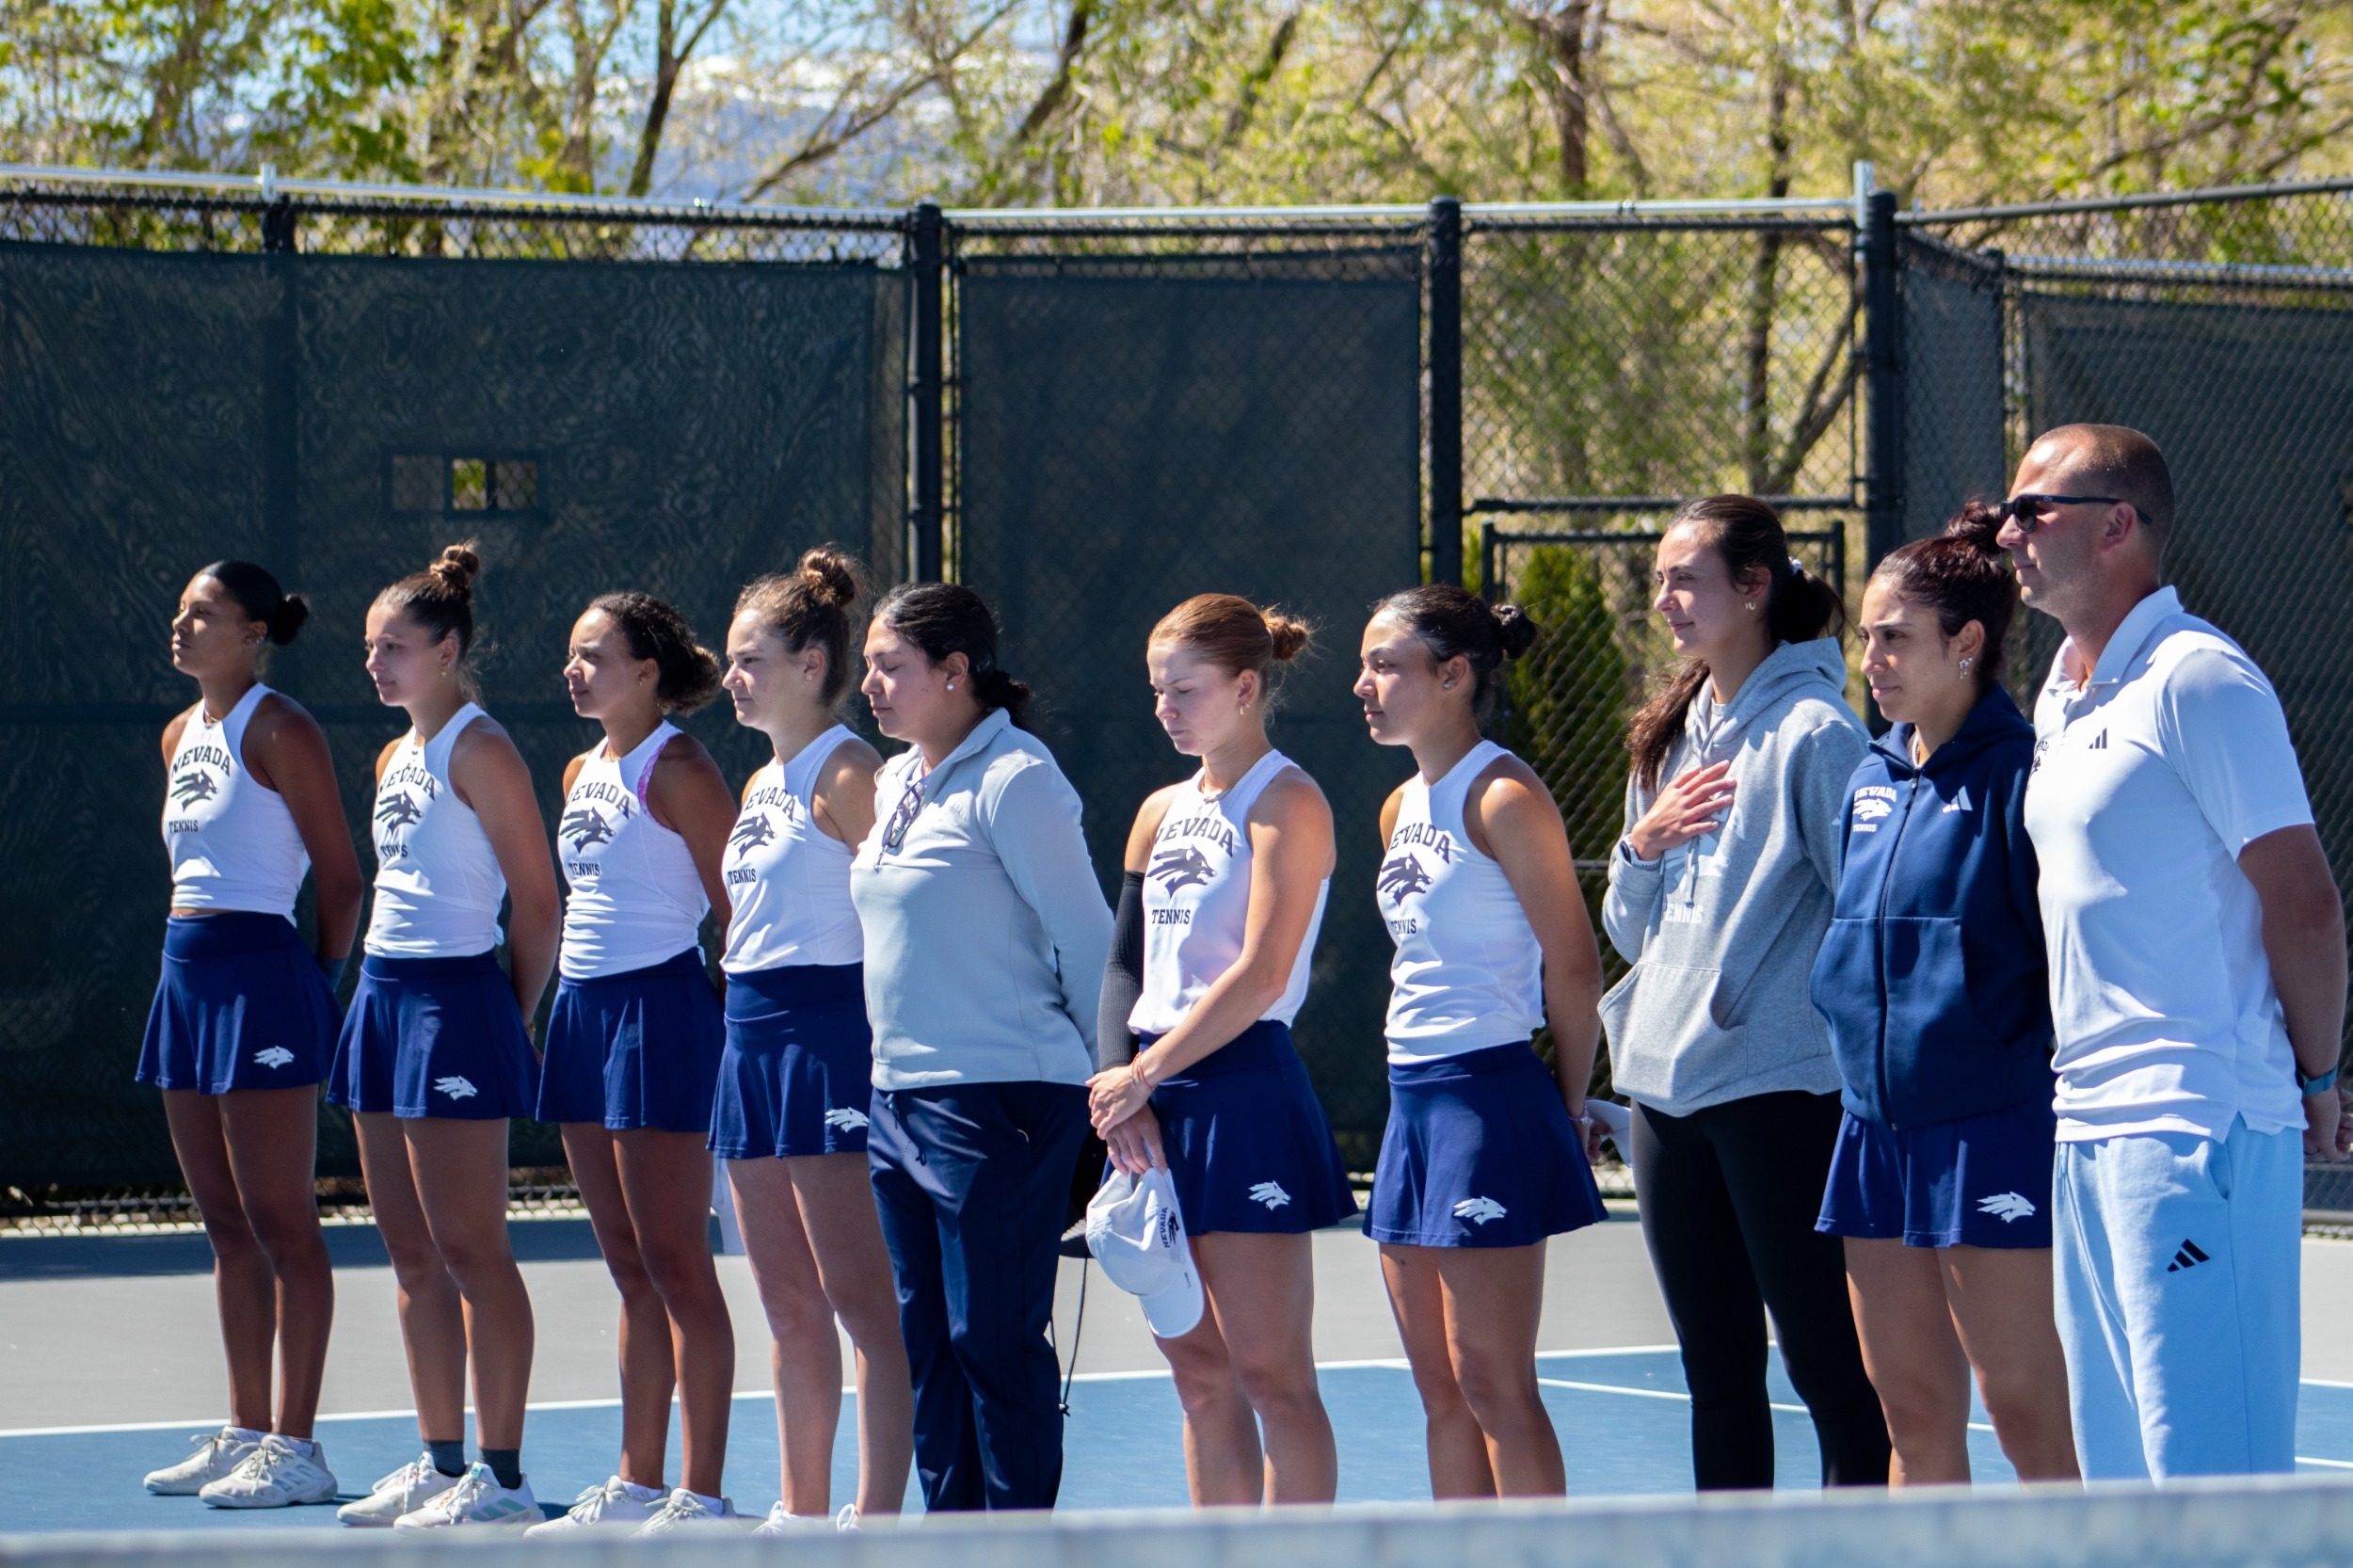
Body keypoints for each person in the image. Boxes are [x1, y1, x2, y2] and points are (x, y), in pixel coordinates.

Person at [1998, 424, 2349, 1480]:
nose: (2007, 530)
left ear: (2117, 526)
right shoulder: (2058, 695)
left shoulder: (2201, 680)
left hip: (2196, 1127)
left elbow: (2304, 905)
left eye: (2033, 509)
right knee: (2122, 1488)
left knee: (2212, 1493)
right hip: (2084, 1133)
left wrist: (2320, 1076)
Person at [1600, 495, 1889, 1490]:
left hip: (1779, 1095)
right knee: (1716, 1376)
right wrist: (1641, 846)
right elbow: (1625, 931)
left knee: (1827, 1366)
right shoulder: (1672, 733)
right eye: (1659, 581)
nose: (1665, 600)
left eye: (1686, 578)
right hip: (1664, 1098)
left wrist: (1783, 1016)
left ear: (1755, 586)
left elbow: (1865, 916)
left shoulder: (1818, 733)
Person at [1809, 508, 2078, 1486]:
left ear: (1967, 643)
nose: (1870, 658)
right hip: (1871, 1135)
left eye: (1894, 637)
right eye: (1866, 636)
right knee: (1912, 1415)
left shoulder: (2024, 778)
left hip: (1990, 1131)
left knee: (2023, 1416)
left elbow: (2060, 963)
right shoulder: (1869, 776)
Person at [1086, 594, 1354, 1507]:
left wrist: (1142, 1075)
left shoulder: (1288, 799)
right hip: (1151, 1100)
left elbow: (1264, 971)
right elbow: (1124, 962)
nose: (1165, 707)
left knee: (1272, 1377)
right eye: (1157, 689)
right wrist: (1115, 1090)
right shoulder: (1158, 809)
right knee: (1199, 1377)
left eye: (1184, 689)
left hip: (1241, 1092)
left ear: (1245, 687)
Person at [851, 582, 1112, 1512]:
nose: (869, 684)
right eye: (869, 665)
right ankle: (952, 1536)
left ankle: (1018, 1542)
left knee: (992, 1337)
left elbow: (1087, 941)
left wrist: (1114, 1087)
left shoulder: (1018, 777)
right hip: (899, 1098)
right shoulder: (894, 780)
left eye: (891, 666)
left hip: (1003, 1097)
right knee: (927, 1340)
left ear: (956, 673)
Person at [1353, 584, 1609, 1498]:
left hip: (1487, 1100)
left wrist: (1569, 1108)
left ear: (1454, 675)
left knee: (1495, 1383)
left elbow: (1573, 969)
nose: (1363, 685)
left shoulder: (1503, 794)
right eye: (1363, 665)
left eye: (1385, 665)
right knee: (1440, 1392)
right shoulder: (1398, 808)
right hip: (1409, 1104)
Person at [328, 544, 559, 1528]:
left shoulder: (482, 749)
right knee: (411, 1251)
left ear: (448, 649)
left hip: (456, 1002)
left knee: (472, 1247)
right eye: (370, 646)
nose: (375, 664)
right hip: (381, 999)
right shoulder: (393, 755)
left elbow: (538, 902)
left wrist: (499, 1016)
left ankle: (503, 1480)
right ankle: (439, 1459)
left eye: (396, 647)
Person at [137, 562, 360, 1510]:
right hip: (185, 979)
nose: (182, 624)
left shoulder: (283, 728)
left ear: (252, 631)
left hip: (262, 979)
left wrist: (308, 985)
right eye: (181, 610)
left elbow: (343, 878)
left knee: (283, 1223)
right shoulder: (178, 733)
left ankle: (299, 1447)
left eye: (203, 613)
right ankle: (245, 1428)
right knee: (226, 1224)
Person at [525, 593, 742, 1536]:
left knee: (676, 1261)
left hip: (660, 1014)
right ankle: (637, 1478)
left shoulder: (683, 767)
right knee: (628, 1265)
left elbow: (744, 906)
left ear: (647, 670)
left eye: (591, 654)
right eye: (570, 655)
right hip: (582, 1014)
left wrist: (737, 1024)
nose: (573, 669)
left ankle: (701, 1492)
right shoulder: (581, 766)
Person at [711, 550, 912, 1535]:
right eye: (728, 659)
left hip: (831, 1035)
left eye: (750, 658)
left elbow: (906, 923)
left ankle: (872, 1518)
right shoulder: (762, 783)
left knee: (859, 1298)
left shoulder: (849, 772)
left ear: (810, 661)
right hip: (747, 1038)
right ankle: (798, 1509)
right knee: (786, 1298)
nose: (730, 676)